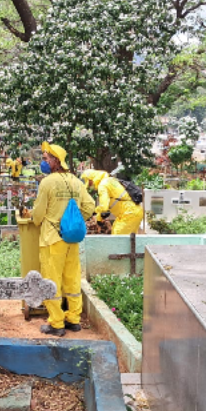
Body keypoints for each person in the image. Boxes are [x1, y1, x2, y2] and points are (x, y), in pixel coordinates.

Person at [31, 142, 95, 337]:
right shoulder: (76, 181)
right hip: (71, 238)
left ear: (55, 161)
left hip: (52, 238)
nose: (43, 162)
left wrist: (36, 220)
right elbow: (90, 205)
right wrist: (74, 221)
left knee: (52, 280)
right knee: (72, 277)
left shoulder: (47, 182)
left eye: (45, 158)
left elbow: (38, 213)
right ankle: (74, 320)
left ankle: (57, 323)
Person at [79, 169, 143, 235]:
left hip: (129, 213)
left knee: (117, 238)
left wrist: (97, 215)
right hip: (132, 212)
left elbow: (104, 207)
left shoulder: (103, 185)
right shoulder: (111, 180)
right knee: (125, 239)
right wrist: (99, 216)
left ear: (91, 179)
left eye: (89, 183)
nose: (90, 186)